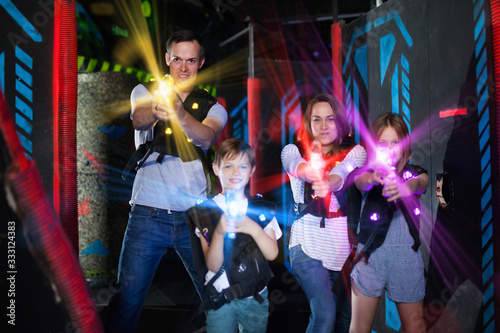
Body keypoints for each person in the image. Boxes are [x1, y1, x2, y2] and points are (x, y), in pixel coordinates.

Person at [105, 30, 228, 333]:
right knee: (126, 304)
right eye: (177, 60)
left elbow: (208, 136)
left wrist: (179, 115)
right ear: (166, 59)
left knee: (219, 297)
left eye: (190, 61)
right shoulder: (144, 90)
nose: (183, 68)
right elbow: (138, 118)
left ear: (200, 63)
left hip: (195, 216)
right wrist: (162, 108)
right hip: (148, 212)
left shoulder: (214, 107)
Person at [281, 94, 367, 333]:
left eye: (330, 119)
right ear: (308, 124)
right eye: (316, 119)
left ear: (339, 123)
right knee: (325, 313)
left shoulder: (356, 151)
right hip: (306, 246)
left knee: (345, 319)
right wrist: (312, 172)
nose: (323, 126)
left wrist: (329, 181)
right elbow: (296, 166)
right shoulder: (291, 150)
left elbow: (343, 170)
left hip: (343, 249)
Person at [185, 138, 281, 333]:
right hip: (221, 299)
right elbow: (212, 265)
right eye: (228, 166)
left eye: (242, 166)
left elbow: (272, 254)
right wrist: (219, 231)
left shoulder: (261, 209)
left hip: (256, 298)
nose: (235, 172)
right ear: (216, 168)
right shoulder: (205, 213)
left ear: (252, 170)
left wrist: (252, 227)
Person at [348, 113, 428, 333]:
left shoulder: (413, 172)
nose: (390, 149)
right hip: (369, 256)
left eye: (396, 143)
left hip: (406, 257)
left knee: (416, 326)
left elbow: (421, 182)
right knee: (359, 328)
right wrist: (375, 178)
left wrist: (405, 187)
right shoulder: (365, 172)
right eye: (383, 143)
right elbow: (360, 181)